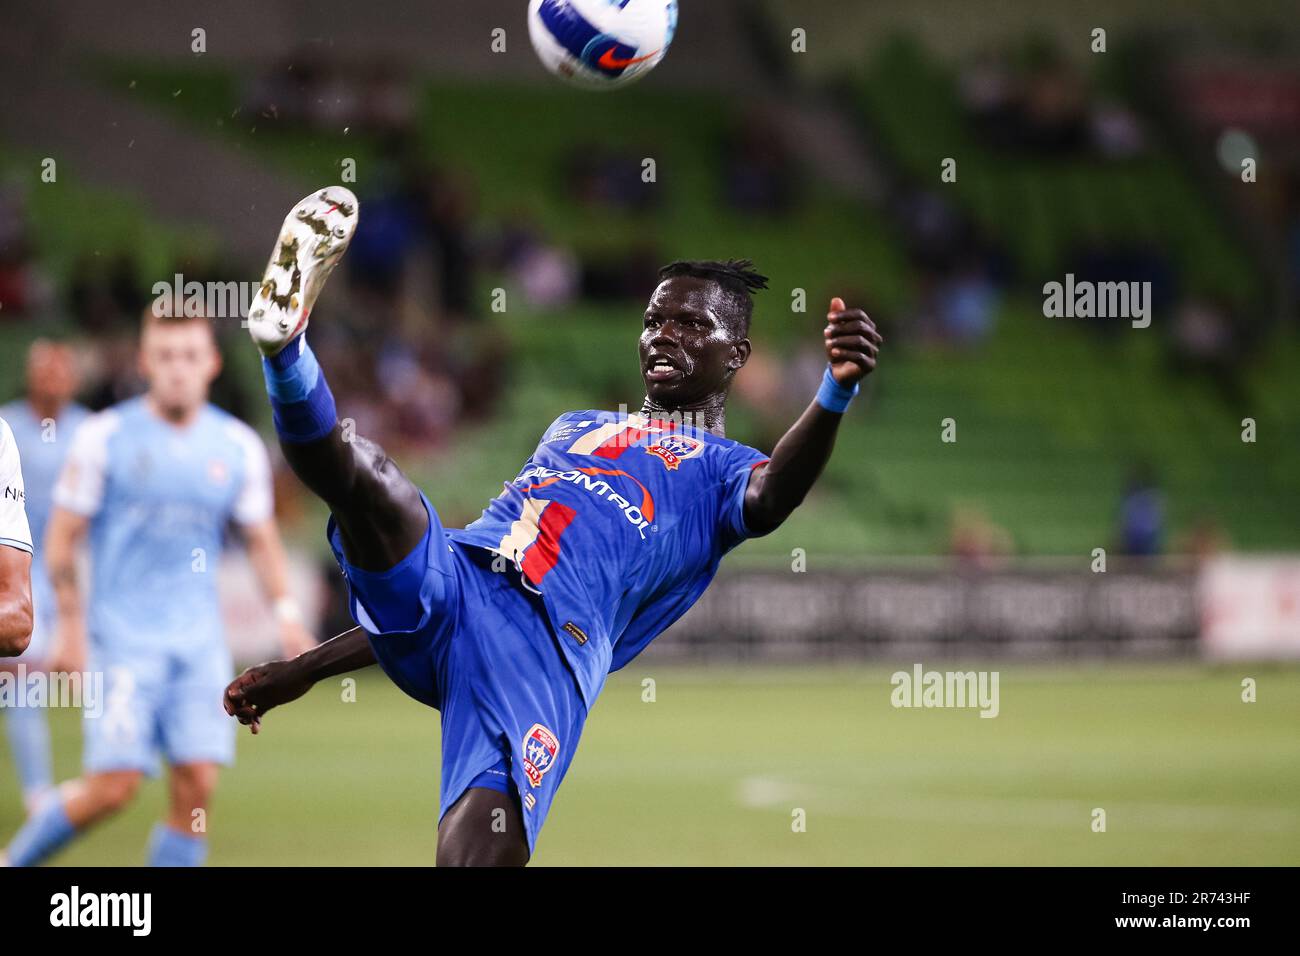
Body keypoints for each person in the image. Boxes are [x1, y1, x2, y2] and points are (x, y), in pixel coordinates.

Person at [224, 187, 882, 865]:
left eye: (691, 325)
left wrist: (834, 391)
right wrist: (304, 670)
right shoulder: (577, 427)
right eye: (656, 320)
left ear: (737, 354)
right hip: (458, 580)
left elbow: (774, 496)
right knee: (369, 477)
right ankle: (286, 349)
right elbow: (464, 575)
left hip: (542, 652)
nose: (664, 335)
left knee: (474, 856)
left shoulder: (727, 471)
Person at [2, 307, 314, 867]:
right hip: (124, 642)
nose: (178, 369)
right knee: (114, 786)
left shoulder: (237, 445)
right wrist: (71, 629)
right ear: (145, 362)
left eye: (190, 356)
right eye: (166, 356)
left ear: (212, 363)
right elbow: (63, 539)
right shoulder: (105, 437)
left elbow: (262, 540)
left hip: (198, 646)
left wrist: (287, 613)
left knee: (197, 787)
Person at [0, 341, 89, 813]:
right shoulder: (7, 424)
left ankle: (103, 780)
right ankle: (39, 794)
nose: (53, 379)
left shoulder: (89, 431)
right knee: (22, 679)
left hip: (68, 578)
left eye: (61, 370)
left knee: (86, 681)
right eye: (45, 370)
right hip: (14, 574)